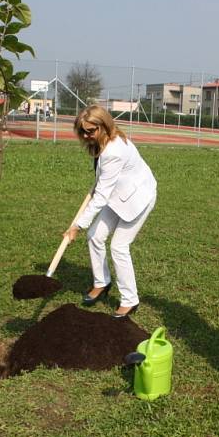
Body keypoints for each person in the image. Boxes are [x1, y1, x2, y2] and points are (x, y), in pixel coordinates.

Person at [64, 105, 157, 318]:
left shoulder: (114, 151)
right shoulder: (103, 142)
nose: (86, 136)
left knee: (119, 247)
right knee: (95, 236)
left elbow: (101, 197)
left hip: (138, 198)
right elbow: (104, 184)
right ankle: (102, 282)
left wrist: (77, 225)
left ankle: (130, 300)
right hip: (118, 194)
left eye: (90, 131)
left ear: (103, 126)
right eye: (82, 131)